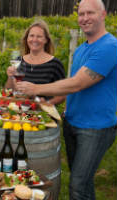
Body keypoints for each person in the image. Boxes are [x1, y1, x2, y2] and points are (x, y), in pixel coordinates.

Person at [15, 0, 117, 199]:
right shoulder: (81, 49)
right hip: (73, 123)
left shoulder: (110, 47)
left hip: (95, 128)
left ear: (103, 14)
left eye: (90, 13)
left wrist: (35, 88)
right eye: (81, 14)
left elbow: (77, 83)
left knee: (77, 185)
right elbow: (73, 89)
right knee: (83, 182)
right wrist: (58, 107)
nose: (84, 18)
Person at [5, 20, 65, 105]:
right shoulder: (18, 61)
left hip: (43, 115)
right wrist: (10, 77)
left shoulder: (55, 64)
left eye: (39, 36)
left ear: (46, 40)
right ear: (27, 39)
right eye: (31, 36)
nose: (34, 39)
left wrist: (46, 104)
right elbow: (10, 91)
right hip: (21, 115)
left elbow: (62, 95)